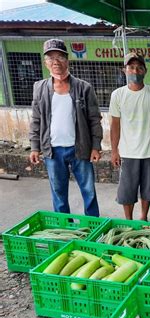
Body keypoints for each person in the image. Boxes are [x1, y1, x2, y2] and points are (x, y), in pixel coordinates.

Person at [29, 38, 102, 217]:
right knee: (59, 194)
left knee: (89, 192)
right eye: (51, 58)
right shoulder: (39, 88)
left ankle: (92, 226)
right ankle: (65, 230)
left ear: (67, 60)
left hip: (80, 149)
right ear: (46, 63)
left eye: (60, 57)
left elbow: (94, 119)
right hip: (53, 151)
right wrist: (34, 146)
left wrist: (95, 146)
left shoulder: (84, 88)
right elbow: (36, 119)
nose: (56, 62)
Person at [109, 52, 150, 221]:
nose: (135, 71)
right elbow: (115, 124)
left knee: (148, 189)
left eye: (139, 68)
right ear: (124, 70)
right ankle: (128, 220)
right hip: (128, 152)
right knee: (127, 190)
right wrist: (114, 150)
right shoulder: (118, 95)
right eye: (131, 67)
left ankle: (143, 217)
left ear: (145, 71)